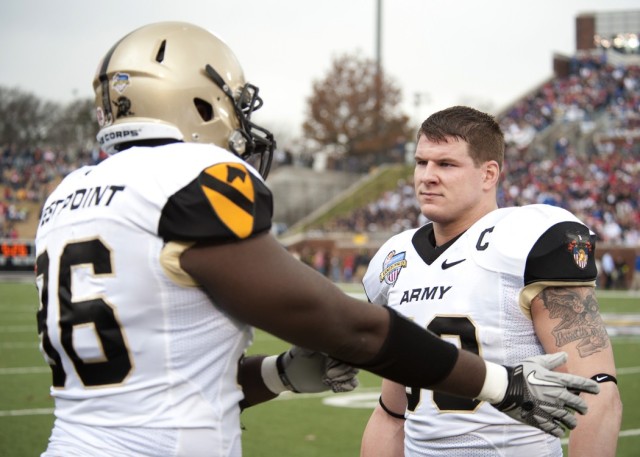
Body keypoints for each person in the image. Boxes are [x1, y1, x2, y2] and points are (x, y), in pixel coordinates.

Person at [34, 24, 598, 457]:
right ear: (198, 102)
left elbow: (161, 382)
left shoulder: (68, 195)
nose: (427, 174)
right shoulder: (186, 176)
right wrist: (500, 382)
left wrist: (278, 373)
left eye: (444, 163)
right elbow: (339, 322)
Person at [360, 106, 622, 457]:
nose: (427, 176)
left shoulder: (526, 237)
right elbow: (392, 412)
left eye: (446, 164)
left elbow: (597, 391)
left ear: (488, 174)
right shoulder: (396, 258)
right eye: (422, 162)